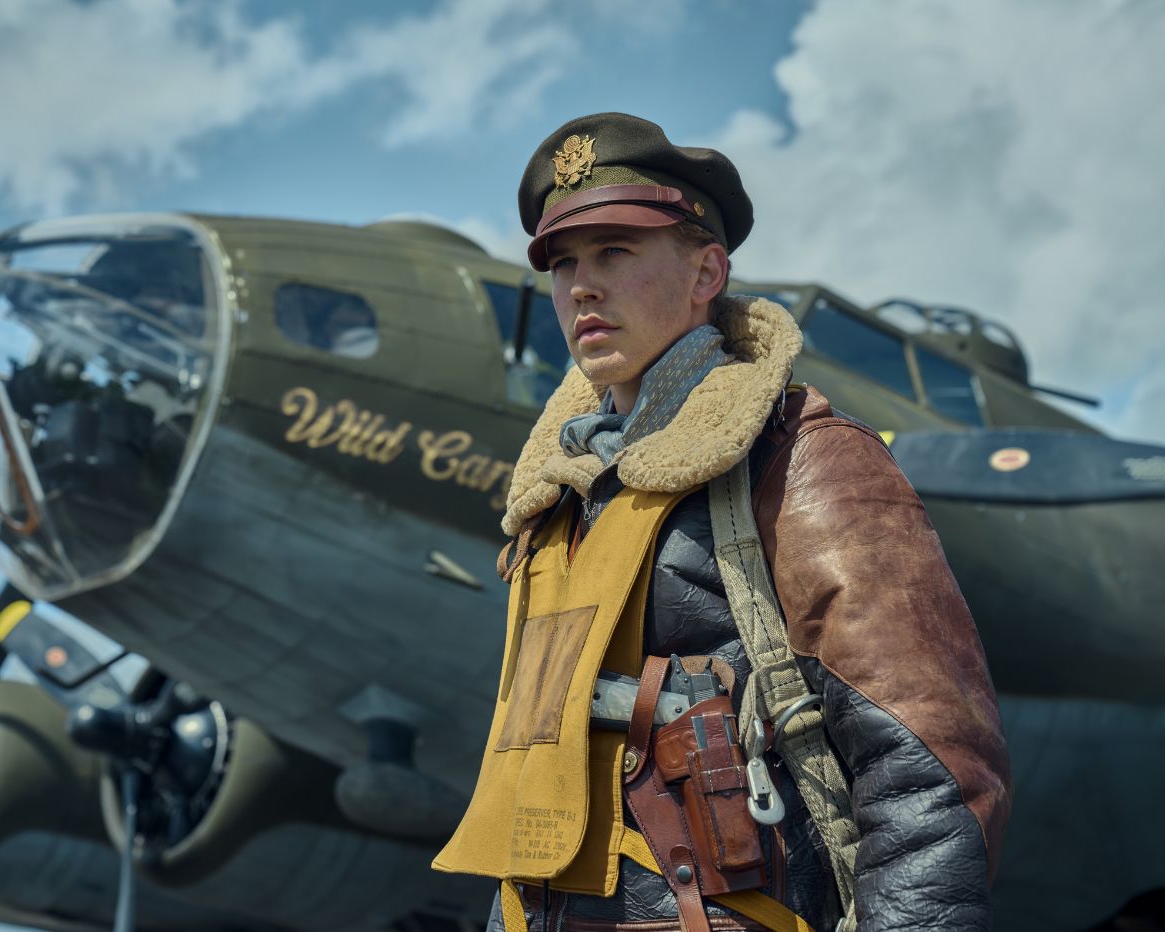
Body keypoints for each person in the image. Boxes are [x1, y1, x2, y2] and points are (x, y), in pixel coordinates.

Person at [433, 113, 1011, 932]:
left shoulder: (800, 458)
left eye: (615, 253)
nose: (581, 288)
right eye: (563, 265)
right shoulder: (559, 494)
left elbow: (931, 772)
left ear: (708, 271)